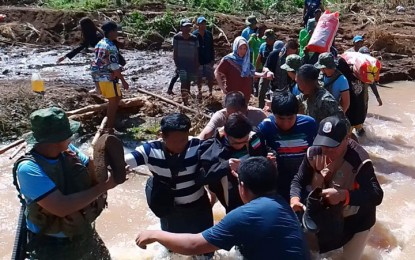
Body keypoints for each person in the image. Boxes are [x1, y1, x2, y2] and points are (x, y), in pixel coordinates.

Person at [136, 157, 309, 260]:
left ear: (242, 187)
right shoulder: (283, 205)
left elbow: (194, 245)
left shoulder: (246, 215)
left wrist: (154, 234)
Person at [13, 107, 118, 259]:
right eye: (68, 134)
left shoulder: (68, 150)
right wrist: (105, 186)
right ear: (56, 140)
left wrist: (106, 162)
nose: (71, 137)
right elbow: (61, 207)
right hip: (52, 245)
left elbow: (93, 171)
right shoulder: (29, 169)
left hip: (82, 231)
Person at [290, 116, 383, 259]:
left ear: (346, 139)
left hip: (358, 221)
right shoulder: (313, 153)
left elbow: (376, 195)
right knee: (310, 253)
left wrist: (343, 195)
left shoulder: (359, 160)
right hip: (328, 217)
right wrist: (294, 199)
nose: (326, 150)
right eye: (323, 144)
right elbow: (299, 179)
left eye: (332, 146)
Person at [125, 113, 214, 235]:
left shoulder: (198, 146)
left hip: (199, 208)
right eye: (174, 141)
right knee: (173, 251)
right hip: (170, 210)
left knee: (206, 248)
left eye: (183, 140)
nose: (180, 145)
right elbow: (123, 161)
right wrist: (118, 167)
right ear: (162, 136)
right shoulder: (150, 151)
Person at [201, 113, 269, 213]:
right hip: (232, 202)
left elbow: (263, 153)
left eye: (244, 141)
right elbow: (203, 176)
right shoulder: (215, 148)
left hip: (256, 195)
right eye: (236, 143)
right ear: (226, 134)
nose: (240, 146)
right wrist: (226, 166)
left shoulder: (254, 138)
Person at [258, 91, 317, 201]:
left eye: (290, 118)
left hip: (305, 181)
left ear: (297, 113)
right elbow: (257, 156)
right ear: (273, 114)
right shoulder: (265, 127)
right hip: (279, 184)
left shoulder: (309, 125)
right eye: (280, 118)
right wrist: (266, 160)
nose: (285, 123)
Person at [91, 21, 129, 132]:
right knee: (113, 101)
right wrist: (123, 81)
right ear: (111, 32)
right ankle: (109, 128)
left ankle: (111, 123)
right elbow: (114, 67)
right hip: (109, 77)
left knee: (117, 98)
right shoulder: (111, 46)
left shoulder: (100, 43)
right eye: (116, 30)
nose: (117, 33)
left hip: (99, 76)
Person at [215, 36, 271, 104]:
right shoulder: (228, 60)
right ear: (236, 47)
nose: (243, 51)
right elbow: (217, 72)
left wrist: (263, 75)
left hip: (245, 94)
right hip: (233, 94)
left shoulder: (246, 60)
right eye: (240, 48)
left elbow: (250, 73)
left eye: (245, 48)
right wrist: (222, 87)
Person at [198, 91, 267, 140]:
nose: (235, 119)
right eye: (231, 114)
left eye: (238, 114)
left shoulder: (258, 115)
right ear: (226, 110)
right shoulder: (220, 116)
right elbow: (205, 135)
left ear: (246, 108)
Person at [173, 18, 199, 105]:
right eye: (185, 27)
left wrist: (196, 64)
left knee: (188, 82)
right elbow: (175, 52)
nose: (187, 29)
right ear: (181, 28)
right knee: (183, 82)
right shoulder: (176, 38)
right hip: (181, 64)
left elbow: (196, 53)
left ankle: (186, 98)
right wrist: (177, 64)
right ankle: (185, 101)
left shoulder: (194, 38)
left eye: (189, 27)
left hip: (191, 64)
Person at [193, 16, 215, 98]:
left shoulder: (209, 34)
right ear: (198, 24)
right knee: (199, 77)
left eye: (204, 24)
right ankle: (199, 91)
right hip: (198, 60)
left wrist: (213, 59)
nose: (203, 25)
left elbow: (212, 47)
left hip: (208, 59)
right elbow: (193, 49)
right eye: (201, 24)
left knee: (210, 77)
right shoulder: (194, 35)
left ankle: (210, 92)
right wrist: (195, 61)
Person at [256, 29, 276, 107]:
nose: (266, 40)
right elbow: (259, 58)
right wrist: (256, 71)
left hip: (275, 73)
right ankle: (260, 107)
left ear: (272, 38)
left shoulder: (277, 46)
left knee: (274, 92)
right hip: (265, 71)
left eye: (267, 39)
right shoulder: (263, 46)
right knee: (261, 91)